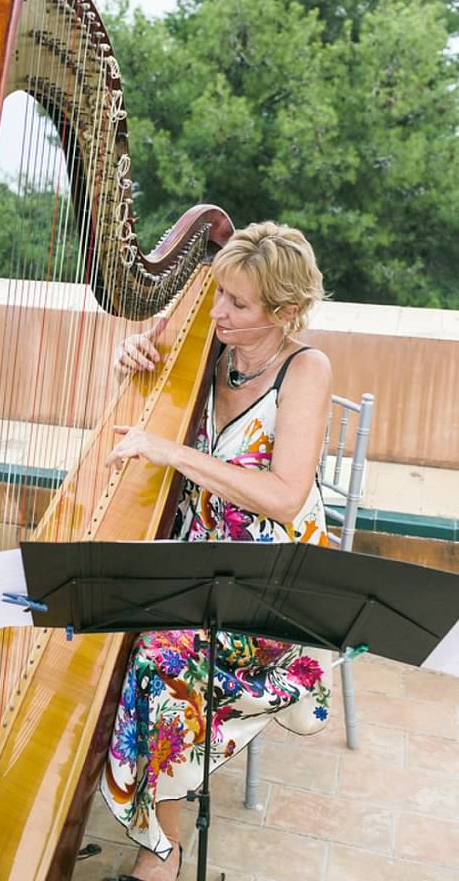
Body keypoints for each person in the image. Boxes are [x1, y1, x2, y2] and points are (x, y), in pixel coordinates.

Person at [100, 221, 332, 881]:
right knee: (83, 608)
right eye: (218, 294)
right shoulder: (207, 343)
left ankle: (160, 853)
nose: (219, 311)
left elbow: (286, 498)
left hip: (272, 582)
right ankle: (132, 788)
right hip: (194, 554)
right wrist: (131, 356)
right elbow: (140, 398)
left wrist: (173, 451)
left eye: (238, 303)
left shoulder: (305, 369)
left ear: (284, 312)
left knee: (161, 653)